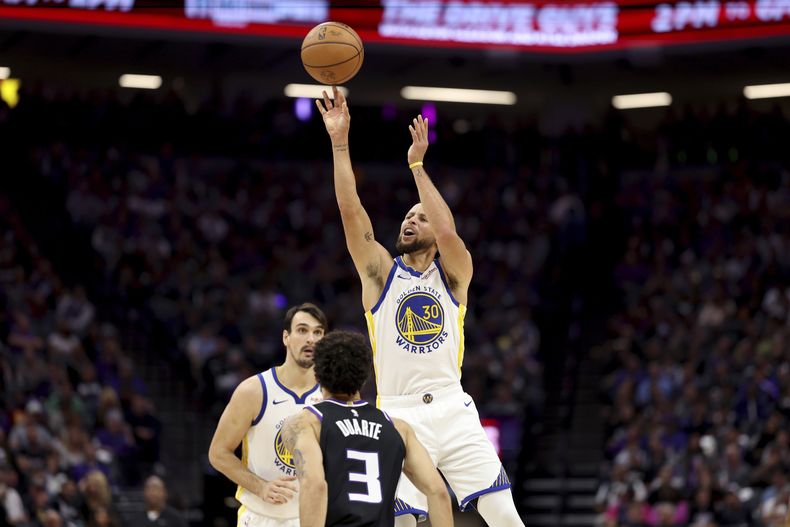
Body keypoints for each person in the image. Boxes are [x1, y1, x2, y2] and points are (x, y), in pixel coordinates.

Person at [317, 86, 524, 527]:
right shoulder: (379, 272)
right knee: (405, 522)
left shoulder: (454, 274)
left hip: (453, 408)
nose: (410, 220)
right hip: (396, 411)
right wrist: (339, 142)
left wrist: (417, 166)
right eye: (408, 216)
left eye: (420, 217)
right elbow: (350, 210)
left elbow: (448, 233)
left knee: (506, 517)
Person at [280, 330, 452, 527]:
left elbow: (315, 485)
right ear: (364, 377)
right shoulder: (397, 427)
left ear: (317, 374)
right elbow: (438, 492)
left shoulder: (307, 422)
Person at [208, 303, 327, 527]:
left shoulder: (332, 395)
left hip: (313, 519)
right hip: (260, 518)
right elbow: (218, 453)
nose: (311, 339)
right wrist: (260, 486)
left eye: (318, 332)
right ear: (286, 337)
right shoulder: (254, 390)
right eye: (302, 330)